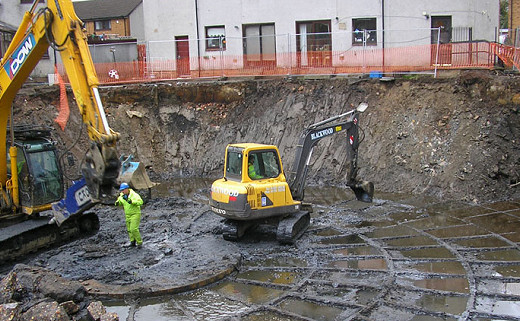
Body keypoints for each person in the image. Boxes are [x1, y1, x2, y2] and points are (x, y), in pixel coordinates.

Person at [115, 182, 144, 248]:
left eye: (123, 190)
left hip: (135, 213)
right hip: (127, 214)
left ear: (127, 189)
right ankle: (132, 242)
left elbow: (141, 202)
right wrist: (117, 203)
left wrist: (132, 202)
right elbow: (119, 201)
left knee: (133, 229)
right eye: (121, 190)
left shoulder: (134, 195)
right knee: (129, 229)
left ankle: (139, 242)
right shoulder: (122, 196)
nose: (122, 191)